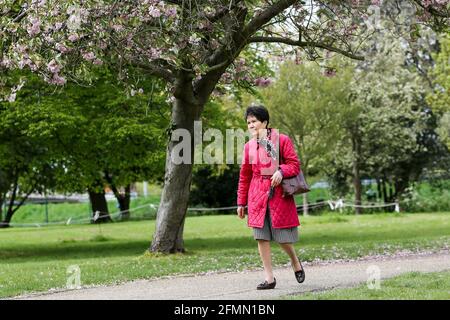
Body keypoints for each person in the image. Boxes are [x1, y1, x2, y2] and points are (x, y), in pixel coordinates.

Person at [236, 105, 305, 290]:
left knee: (282, 238)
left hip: (278, 195)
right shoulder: (248, 147)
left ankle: (294, 260)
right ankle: (269, 278)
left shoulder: (281, 140)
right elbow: (244, 176)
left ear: (265, 122)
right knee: (261, 237)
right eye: (248, 122)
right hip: (256, 195)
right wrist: (241, 202)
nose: (251, 125)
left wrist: (281, 171)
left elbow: (294, 165)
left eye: (254, 121)